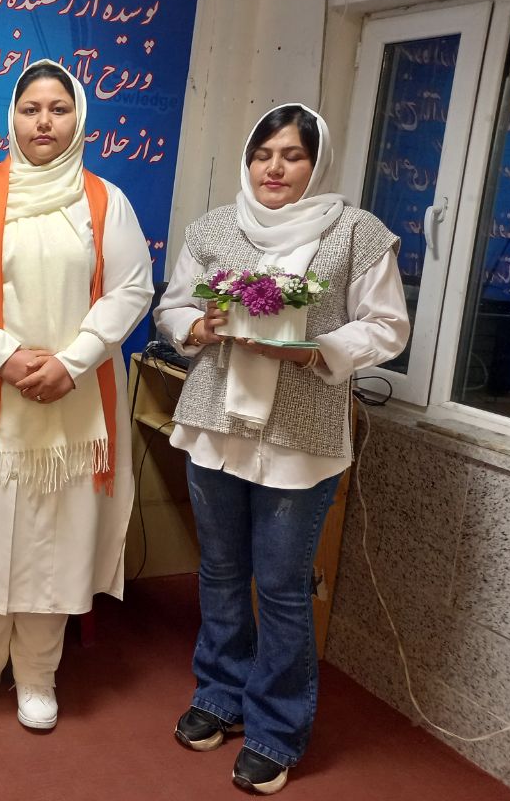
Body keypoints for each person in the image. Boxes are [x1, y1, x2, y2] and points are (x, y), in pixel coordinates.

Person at [154, 103, 409, 794]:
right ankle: (219, 695)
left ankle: (276, 728)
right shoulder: (214, 227)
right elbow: (172, 307)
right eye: (263, 154)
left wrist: (317, 350)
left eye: (292, 155)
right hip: (214, 425)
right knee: (220, 572)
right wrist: (197, 327)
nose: (274, 168)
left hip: (301, 438)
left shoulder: (356, 233)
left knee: (283, 587)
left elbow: (387, 327)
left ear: (316, 163)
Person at [0, 59, 153, 730]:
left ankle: (39, 674)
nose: (44, 122)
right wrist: (6, 356)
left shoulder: (105, 201)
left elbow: (132, 288)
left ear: (79, 119)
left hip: (74, 399)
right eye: (30, 109)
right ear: (11, 119)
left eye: (58, 109)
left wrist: (72, 362)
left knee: (55, 535)